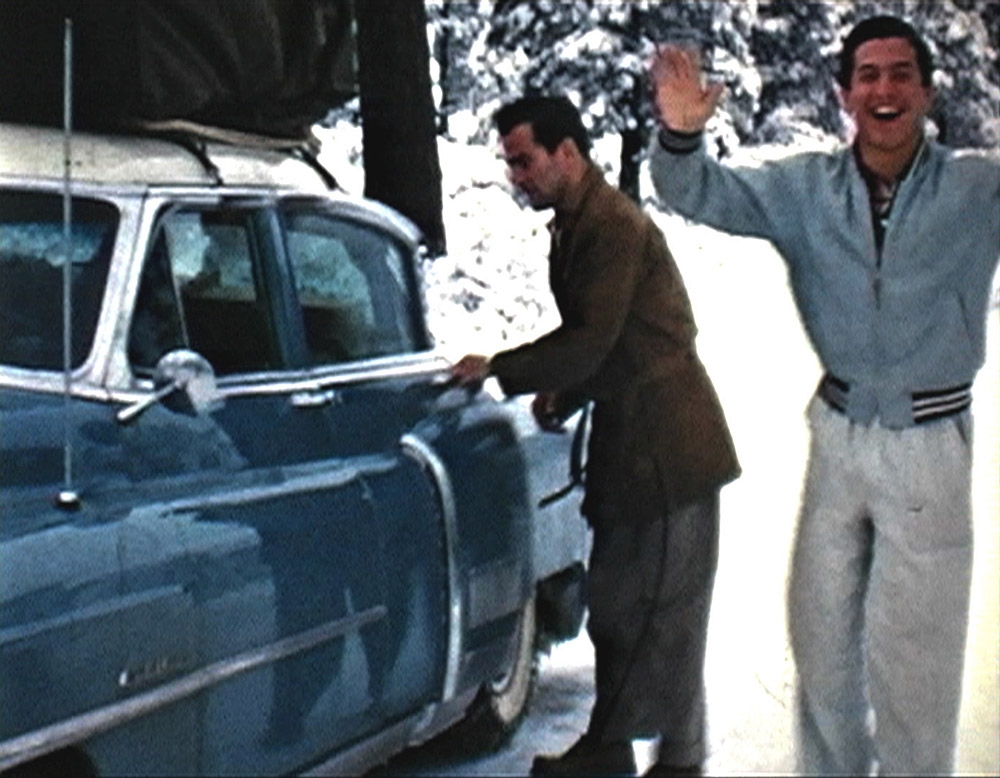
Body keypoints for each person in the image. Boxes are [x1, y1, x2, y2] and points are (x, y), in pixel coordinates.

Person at [648, 14, 999, 776]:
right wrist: (679, 135)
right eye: (867, 75)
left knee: (915, 665)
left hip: (929, 444)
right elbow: (697, 190)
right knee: (822, 647)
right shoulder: (805, 189)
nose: (884, 90)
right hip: (839, 438)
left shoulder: (976, 190)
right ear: (844, 95)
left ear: (927, 92)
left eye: (901, 74)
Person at [450, 95, 740, 776]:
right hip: (637, 441)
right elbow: (614, 340)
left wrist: (500, 368)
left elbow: (592, 340)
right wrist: (568, 390)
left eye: (525, 161)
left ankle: (662, 762)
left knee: (663, 614)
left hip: (669, 447)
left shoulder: (610, 226)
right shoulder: (579, 223)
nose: (517, 176)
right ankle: (623, 753)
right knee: (625, 605)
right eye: (510, 163)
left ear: (567, 153)